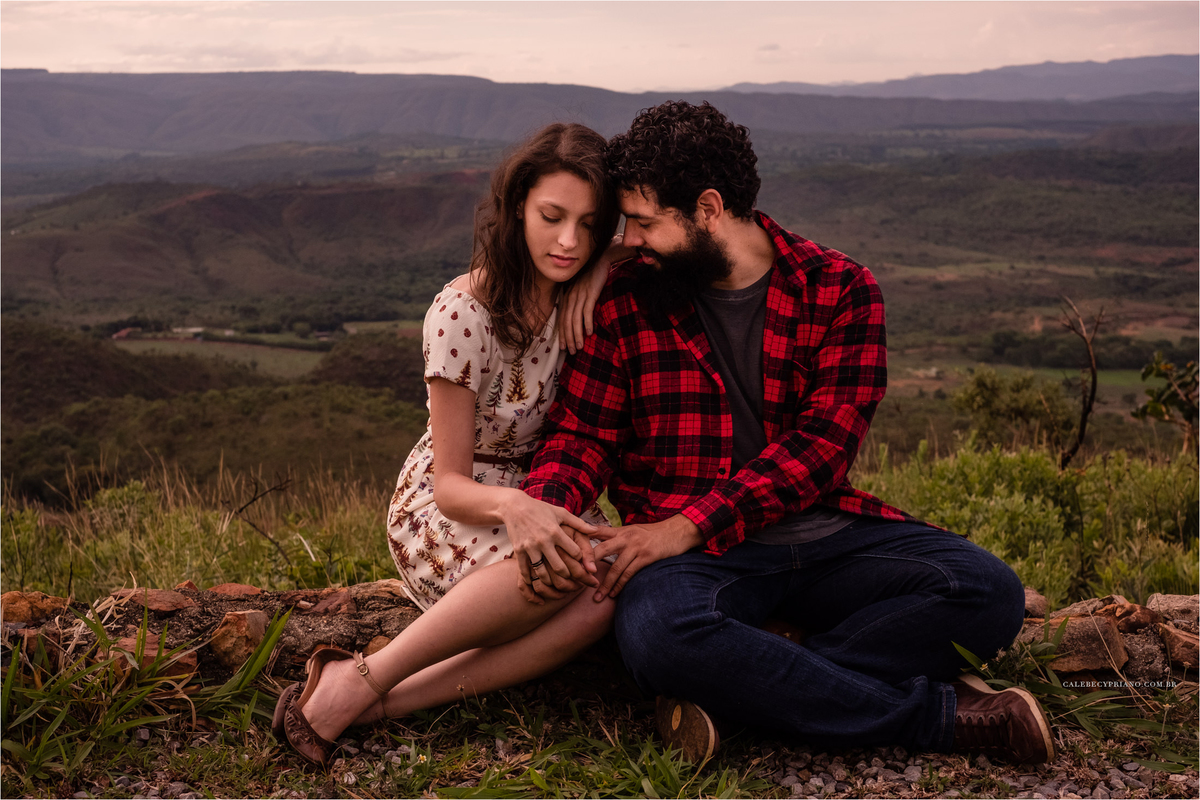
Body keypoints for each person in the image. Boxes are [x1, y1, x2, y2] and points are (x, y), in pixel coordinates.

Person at [521, 101, 1055, 764]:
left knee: (988, 593)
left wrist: (686, 526)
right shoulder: (628, 295)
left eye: (646, 223)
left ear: (708, 209)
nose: (628, 240)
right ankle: (936, 717)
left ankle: (755, 678)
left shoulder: (841, 289)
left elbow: (820, 452)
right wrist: (547, 513)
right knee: (660, 633)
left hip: (820, 535)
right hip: (694, 562)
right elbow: (582, 435)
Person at [274, 122, 621, 765]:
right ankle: (368, 675)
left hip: (544, 485)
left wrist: (604, 265)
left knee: (603, 594)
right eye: (552, 217)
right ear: (517, 207)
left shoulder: (580, 287)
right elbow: (451, 486)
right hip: (452, 507)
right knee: (555, 571)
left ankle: (376, 699)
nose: (569, 242)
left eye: (589, 226)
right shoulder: (463, 313)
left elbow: (661, 242)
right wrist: (515, 507)